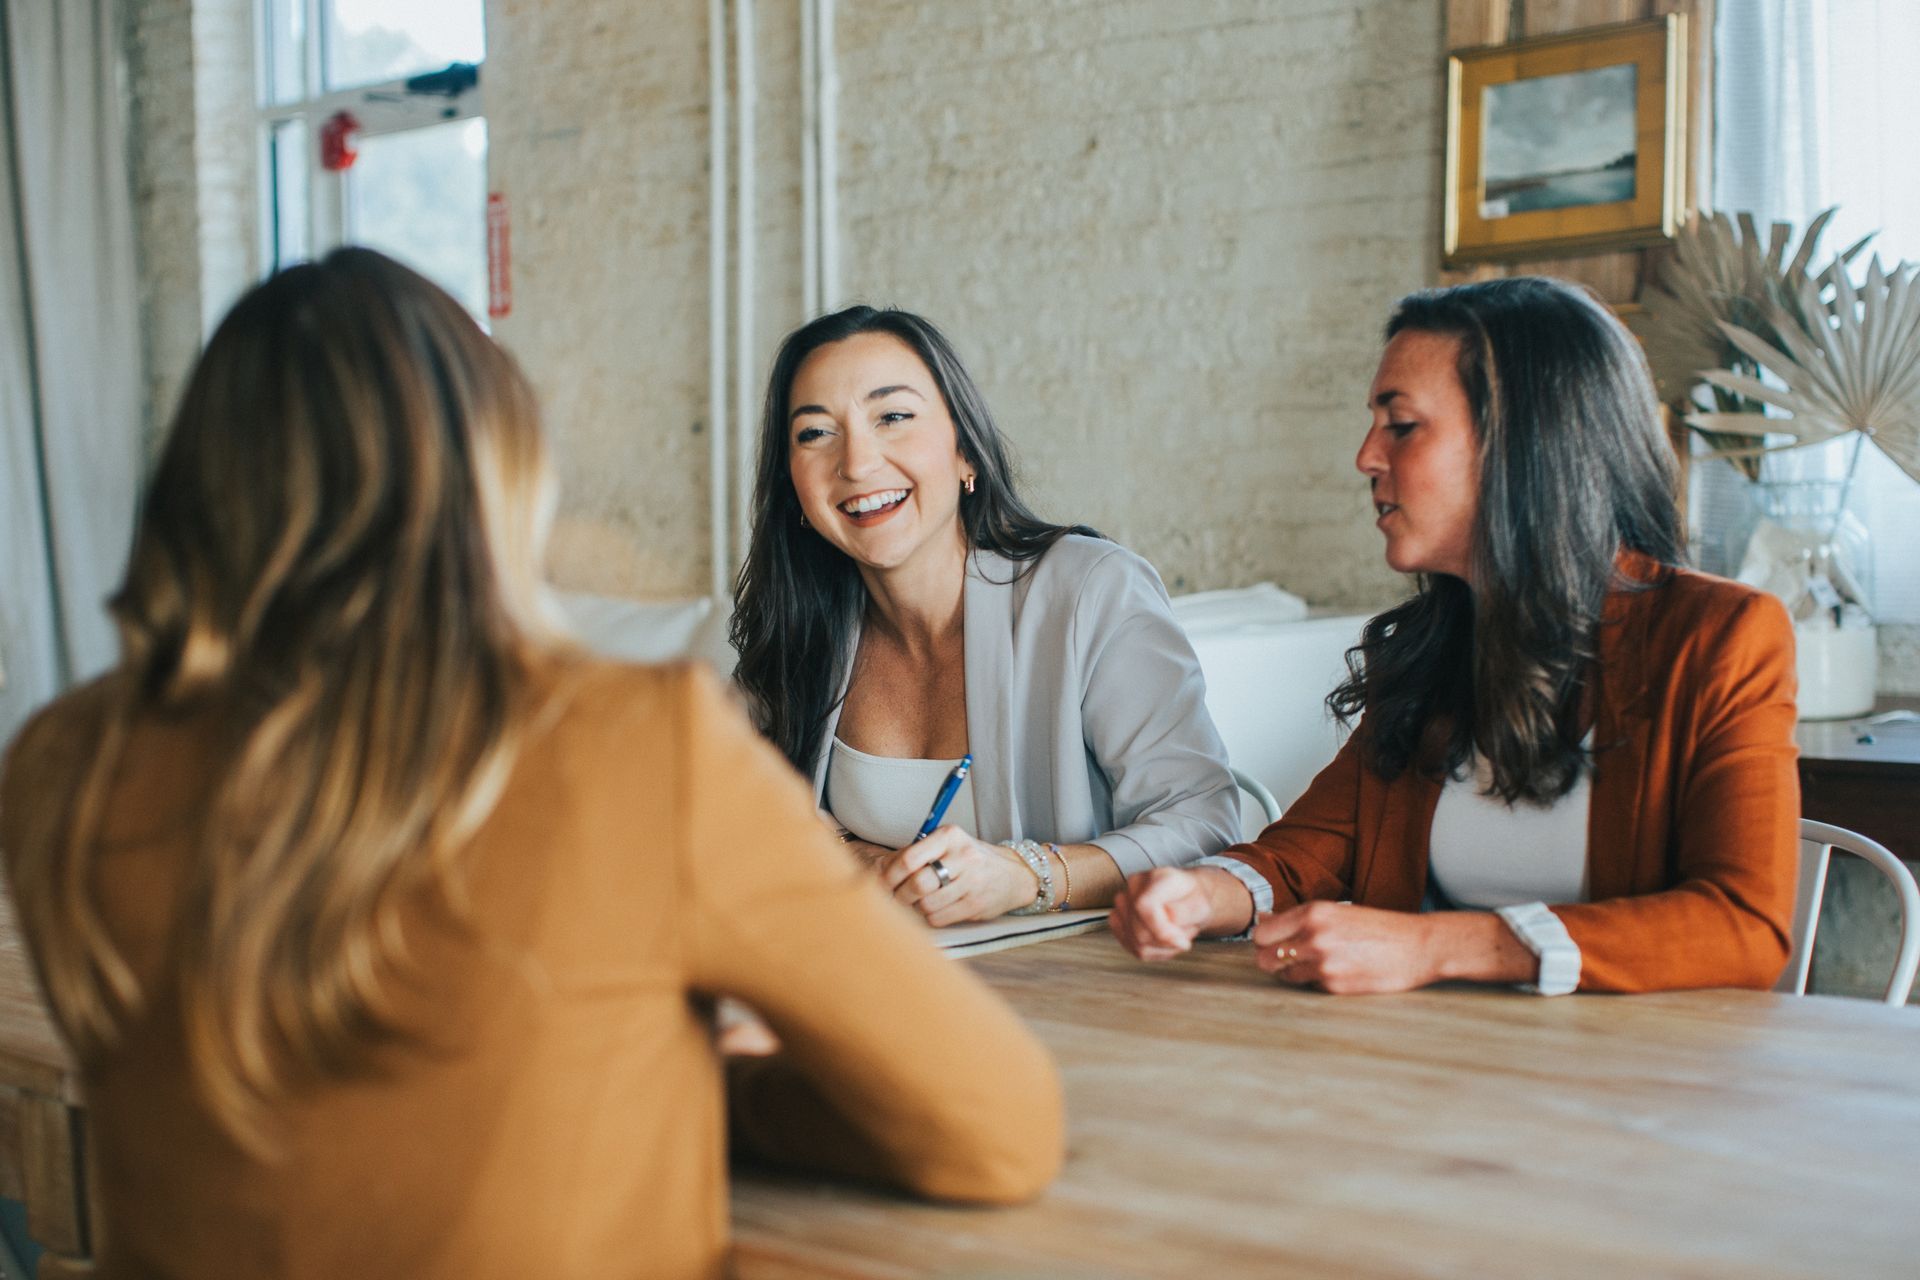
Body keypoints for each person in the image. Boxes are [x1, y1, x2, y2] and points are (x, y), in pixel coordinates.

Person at [0, 250, 1061, 1279]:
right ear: (500, 469)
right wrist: (668, 1053)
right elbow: (997, 1126)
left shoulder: (59, 765)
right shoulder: (646, 745)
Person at [1109, 276, 1800, 995]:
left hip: (1637, 1090)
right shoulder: (1427, 650)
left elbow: (1744, 923)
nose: (1366, 457)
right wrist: (1200, 895)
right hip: (1440, 1069)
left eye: (1401, 425)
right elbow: (1303, 855)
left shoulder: (1723, 638)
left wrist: (1434, 947)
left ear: (1527, 441)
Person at [730, 306, 1239, 926]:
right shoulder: (800, 624)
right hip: (882, 978)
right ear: (795, 491)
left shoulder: (1091, 590)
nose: (857, 463)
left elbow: (1204, 823)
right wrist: (853, 856)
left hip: (1081, 984)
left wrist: (1028, 875)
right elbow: (733, 808)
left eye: (893, 416)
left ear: (965, 451)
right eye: (815, 433)